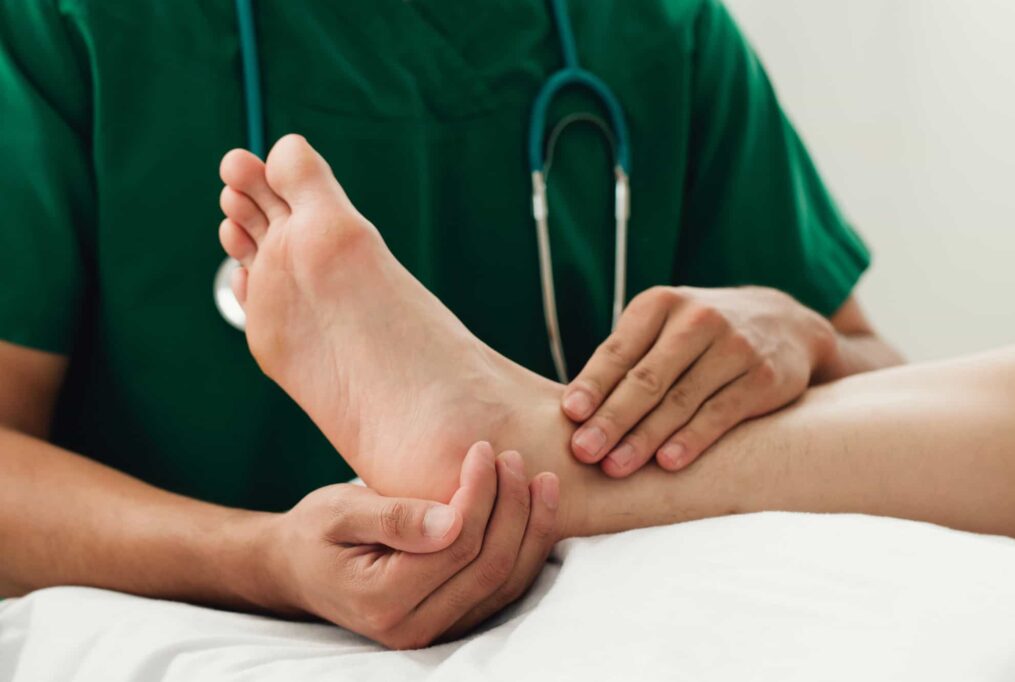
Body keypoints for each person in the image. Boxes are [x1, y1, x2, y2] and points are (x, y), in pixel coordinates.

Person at [2, 0, 909, 649]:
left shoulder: (661, 27)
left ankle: (519, 450)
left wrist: (798, 330)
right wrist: (262, 560)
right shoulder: (72, 24)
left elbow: (889, 385)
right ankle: (517, 452)